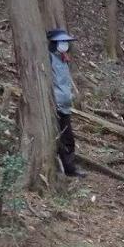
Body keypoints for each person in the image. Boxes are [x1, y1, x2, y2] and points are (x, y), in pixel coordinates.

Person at [47, 29, 85, 177]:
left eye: (65, 42)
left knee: (68, 138)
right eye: (60, 42)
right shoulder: (48, 58)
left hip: (65, 107)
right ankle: (61, 168)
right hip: (54, 106)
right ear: (54, 43)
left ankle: (70, 169)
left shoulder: (64, 59)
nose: (64, 44)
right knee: (58, 138)